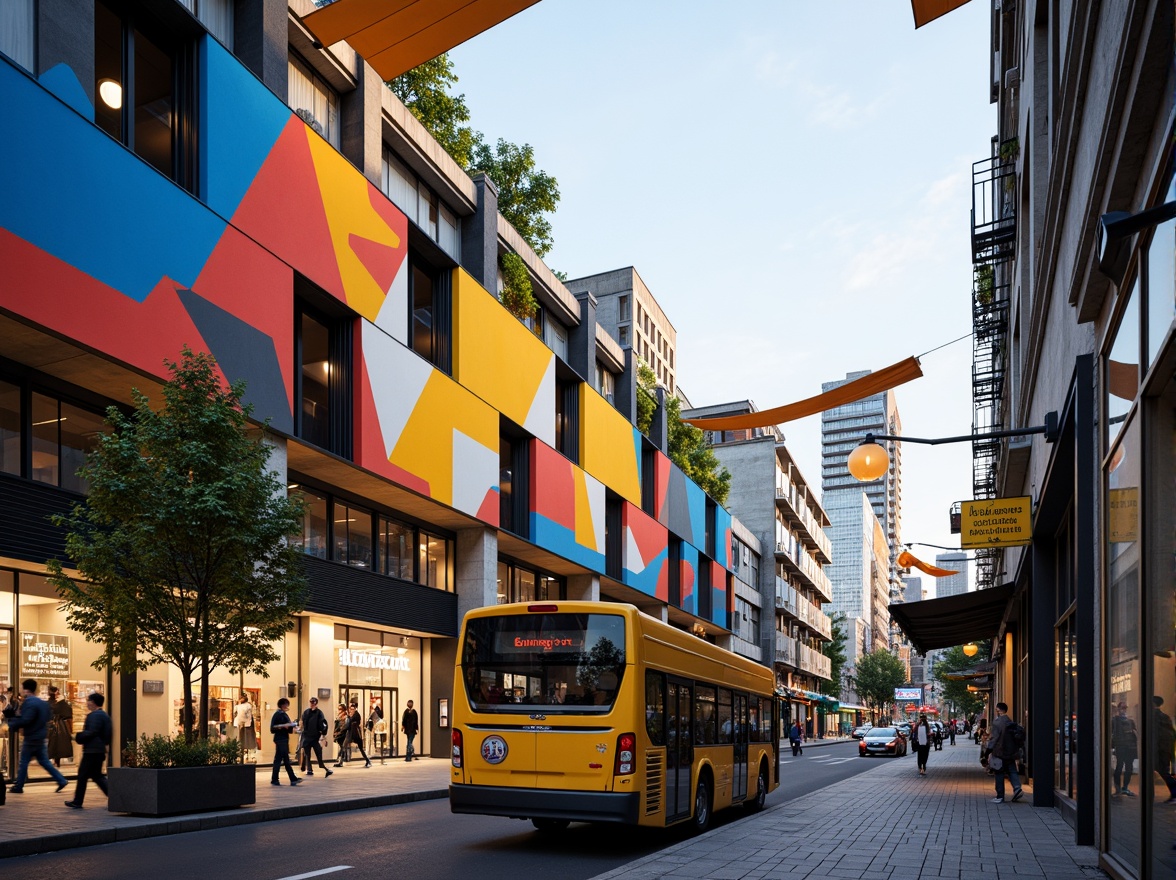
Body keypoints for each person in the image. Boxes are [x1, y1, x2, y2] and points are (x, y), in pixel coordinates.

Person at [3, 679, 68, 794]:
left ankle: (19, 786)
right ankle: (61, 780)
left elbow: (26, 720)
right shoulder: (42, 703)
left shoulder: (29, 702)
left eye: (22, 688)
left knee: (23, 762)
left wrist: (12, 723)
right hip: (40, 736)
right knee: (44, 761)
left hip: (31, 737)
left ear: (26, 689)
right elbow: (48, 717)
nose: (21, 690)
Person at [64, 692, 112, 809]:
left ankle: (78, 801)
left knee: (83, 775)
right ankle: (114, 796)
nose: (87, 703)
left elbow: (91, 732)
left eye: (88, 701)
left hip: (92, 751)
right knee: (97, 776)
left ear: (93, 702)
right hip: (98, 750)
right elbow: (107, 735)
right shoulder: (104, 715)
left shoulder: (94, 716)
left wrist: (77, 736)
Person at [988, 702, 1023, 803]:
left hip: (999, 752)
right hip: (1011, 752)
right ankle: (1017, 788)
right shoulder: (1010, 721)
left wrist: (989, 750)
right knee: (1012, 770)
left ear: (998, 710)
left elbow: (994, 738)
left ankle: (1000, 796)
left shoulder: (997, 722)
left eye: (996, 709)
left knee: (999, 772)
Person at [269, 697, 301, 786]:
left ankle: (275, 779)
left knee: (278, 760)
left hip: (282, 738)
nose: (287, 706)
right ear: (283, 705)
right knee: (286, 759)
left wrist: (290, 726)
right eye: (287, 704)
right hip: (281, 739)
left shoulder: (281, 714)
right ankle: (292, 778)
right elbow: (273, 727)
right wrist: (284, 726)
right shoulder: (279, 714)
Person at [299, 697, 332, 777]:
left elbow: (322, 724)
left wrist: (323, 736)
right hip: (308, 736)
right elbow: (302, 722)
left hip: (313, 737)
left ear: (316, 703)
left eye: (313, 703)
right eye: (311, 702)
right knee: (308, 754)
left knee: (318, 753)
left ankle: (322, 767)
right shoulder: (308, 712)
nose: (312, 704)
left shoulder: (318, 713)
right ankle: (309, 769)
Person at [1110, 701, 1137, 797]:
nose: (1124, 710)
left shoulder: (1130, 721)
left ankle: (1124, 787)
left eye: (1125, 708)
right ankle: (1118, 789)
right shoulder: (1115, 720)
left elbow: (1134, 733)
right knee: (1119, 767)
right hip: (1120, 746)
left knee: (1129, 768)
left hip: (1129, 747)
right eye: (1122, 708)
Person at [1153, 696, 1176, 803]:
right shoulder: (1165, 717)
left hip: (1158, 751)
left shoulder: (1153, 717)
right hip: (1165, 750)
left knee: (1163, 772)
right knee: (1163, 772)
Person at [46, 686, 73, 768]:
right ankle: (55, 761)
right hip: (59, 725)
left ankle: (53, 760)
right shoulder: (61, 703)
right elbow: (68, 714)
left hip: (54, 725)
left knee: (54, 743)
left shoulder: (54, 703)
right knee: (57, 744)